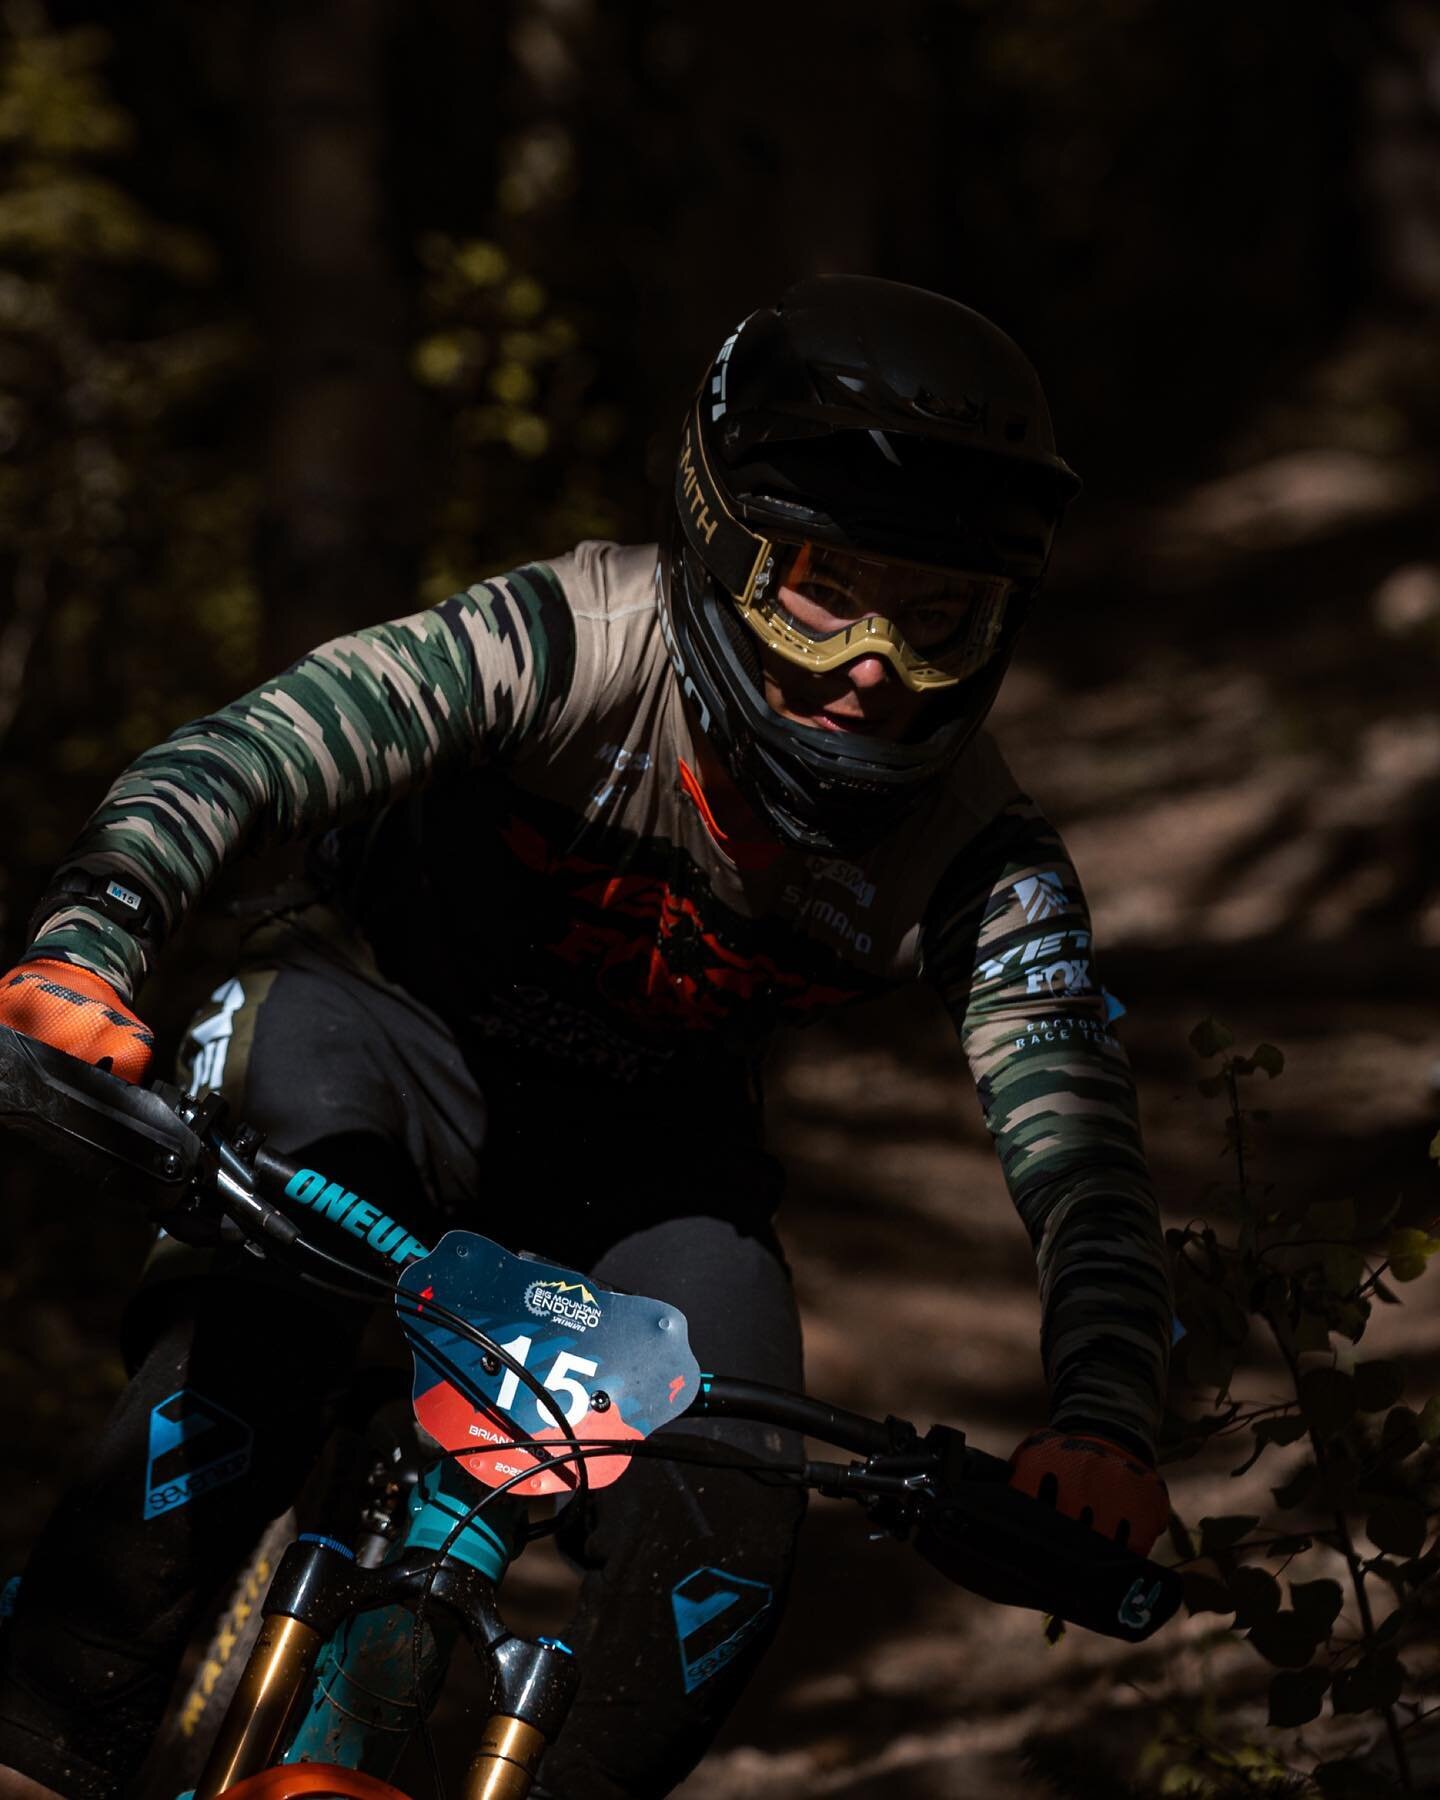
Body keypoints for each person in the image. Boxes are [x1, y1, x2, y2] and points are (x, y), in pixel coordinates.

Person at [0, 275, 1172, 1800]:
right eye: (821, 585)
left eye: (936, 613)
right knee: (246, 1349)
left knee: (734, 1534)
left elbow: (1081, 1147)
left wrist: (1105, 1418)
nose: (874, 659)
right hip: (375, 1051)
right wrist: (89, 943)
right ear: (721, 543)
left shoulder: (978, 857)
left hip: (651, 1182)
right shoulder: (577, 635)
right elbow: (253, 752)